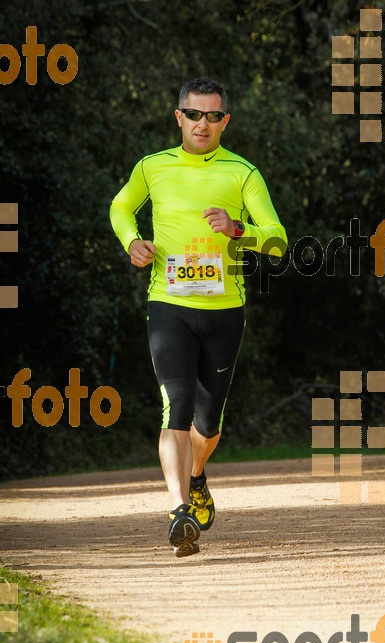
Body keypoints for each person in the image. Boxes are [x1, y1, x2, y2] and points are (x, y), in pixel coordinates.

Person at [110, 76, 287, 558]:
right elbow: (121, 206)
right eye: (193, 114)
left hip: (224, 311)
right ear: (179, 117)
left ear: (225, 120)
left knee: (207, 427)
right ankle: (179, 511)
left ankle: (197, 475)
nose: (202, 124)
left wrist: (238, 230)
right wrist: (132, 242)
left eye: (212, 115)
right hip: (168, 303)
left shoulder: (242, 173)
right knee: (177, 406)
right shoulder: (153, 167)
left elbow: (277, 239)